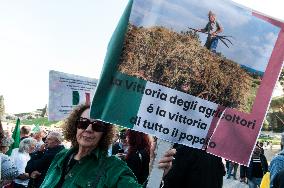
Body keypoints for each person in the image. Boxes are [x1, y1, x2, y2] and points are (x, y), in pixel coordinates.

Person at [40, 104, 176, 187]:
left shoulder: (114, 168)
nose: (88, 129)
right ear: (75, 127)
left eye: (97, 125)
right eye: (83, 122)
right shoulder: (61, 156)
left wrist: (155, 176)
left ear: (104, 133)